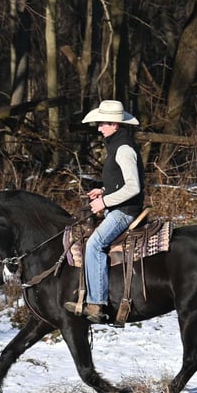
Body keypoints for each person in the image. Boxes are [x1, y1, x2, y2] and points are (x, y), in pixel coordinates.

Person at [65, 100, 145, 323]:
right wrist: (103, 189)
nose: (99, 128)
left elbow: (133, 187)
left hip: (125, 211)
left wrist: (105, 202)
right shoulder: (116, 145)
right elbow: (120, 181)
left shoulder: (124, 149)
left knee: (94, 244)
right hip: (117, 206)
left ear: (115, 125)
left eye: (102, 124)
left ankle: (96, 304)